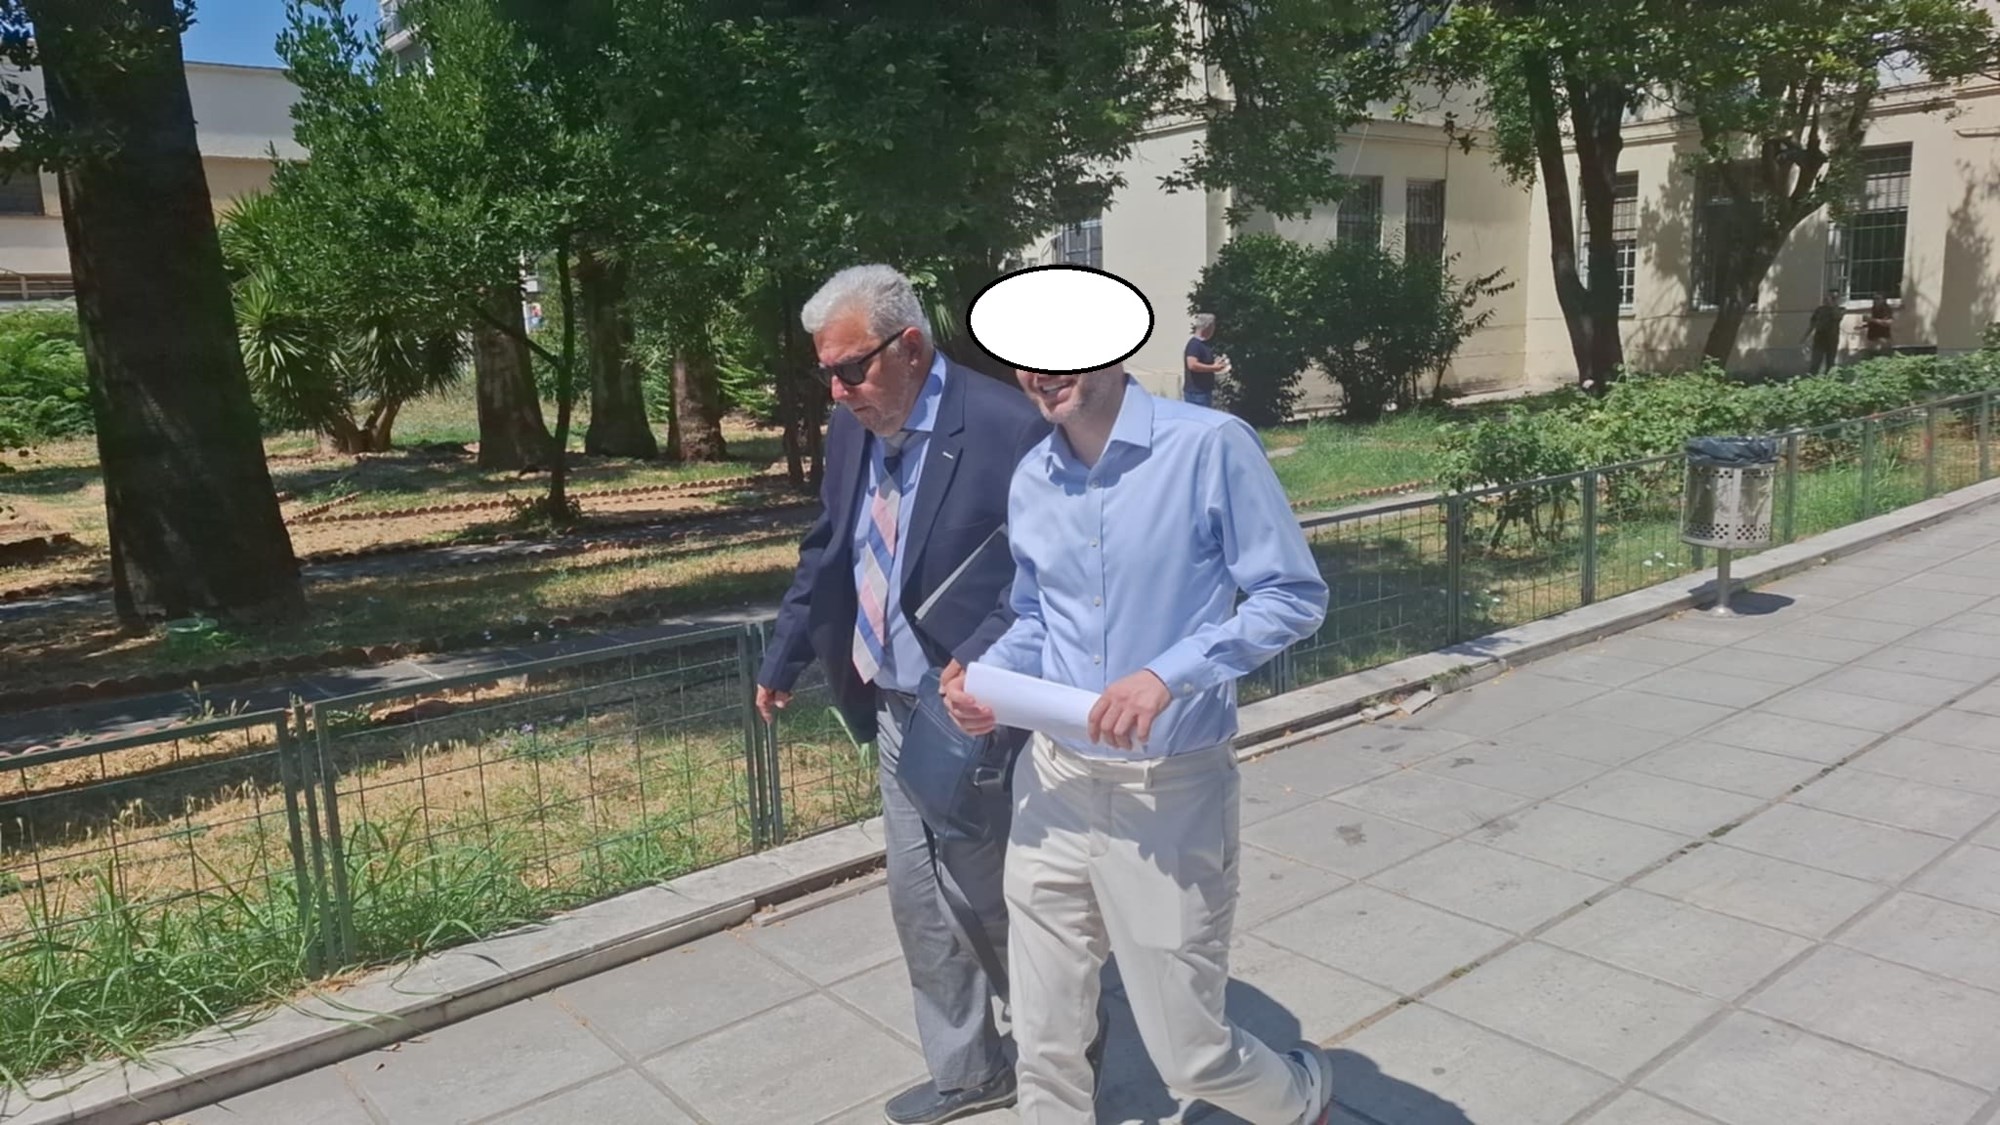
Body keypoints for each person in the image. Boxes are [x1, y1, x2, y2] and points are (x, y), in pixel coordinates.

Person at [943, 353, 1336, 1124]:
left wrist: (1166, 674)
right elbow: (1037, 614)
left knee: (1191, 1055)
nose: (1040, 369)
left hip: (1167, 794)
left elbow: (1292, 595)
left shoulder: (1210, 446)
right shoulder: (1033, 476)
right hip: (1052, 786)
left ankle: (1299, 1095)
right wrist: (989, 680)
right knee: (1044, 1040)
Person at [755, 264, 1049, 1125]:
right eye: (827, 373)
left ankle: (1063, 1036)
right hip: (890, 699)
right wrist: (785, 653)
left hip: (972, 708)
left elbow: (1048, 573)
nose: (838, 390)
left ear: (910, 347)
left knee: (984, 892)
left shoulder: (1007, 426)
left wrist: (984, 660)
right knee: (918, 897)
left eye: (851, 368)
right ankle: (970, 1069)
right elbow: (830, 546)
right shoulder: (852, 426)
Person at [1183, 312, 1228, 408]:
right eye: (1213, 326)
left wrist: (1217, 364)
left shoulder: (1204, 344)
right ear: (1207, 327)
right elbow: (1192, 365)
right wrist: (1213, 368)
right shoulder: (1194, 345)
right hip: (1196, 393)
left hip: (1204, 391)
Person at [1805, 290, 1845, 375]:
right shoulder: (1819, 310)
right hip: (1819, 339)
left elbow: (1836, 316)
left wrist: (1831, 305)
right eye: (1829, 297)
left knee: (1830, 363)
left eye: (1834, 298)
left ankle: (1828, 379)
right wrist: (1805, 337)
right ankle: (1812, 378)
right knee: (1815, 362)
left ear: (1838, 299)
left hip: (1832, 340)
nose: (1830, 299)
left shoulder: (1841, 309)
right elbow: (1812, 324)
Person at [1863, 293, 1896, 357]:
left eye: (1878, 299)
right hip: (1872, 336)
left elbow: (1887, 323)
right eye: (1874, 299)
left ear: (1883, 300)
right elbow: (1875, 322)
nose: (1875, 301)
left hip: (1882, 336)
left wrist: (1871, 319)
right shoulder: (1874, 309)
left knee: (1883, 356)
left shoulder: (1886, 309)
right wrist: (1865, 325)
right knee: (1871, 355)